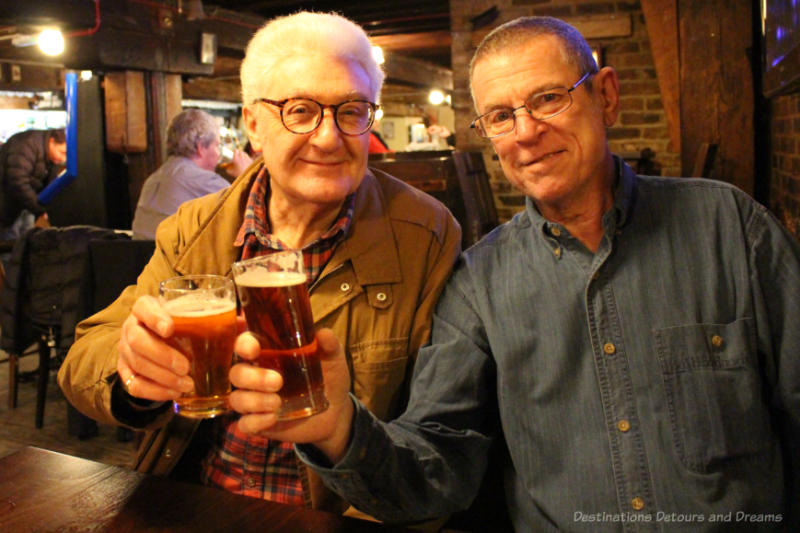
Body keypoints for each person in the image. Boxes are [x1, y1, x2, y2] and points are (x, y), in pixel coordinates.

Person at [227, 16, 800, 531]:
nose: (526, 132)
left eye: (548, 99)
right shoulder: (479, 282)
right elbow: (438, 464)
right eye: (501, 116)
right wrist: (339, 427)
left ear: (606, 97)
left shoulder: (731, 227)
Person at [58, 10, 460, 519]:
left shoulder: (425, 233)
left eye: (352, 111)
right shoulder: (196, 225)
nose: (329, 137)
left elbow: (441, 451)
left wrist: (345, 433)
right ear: (253, 123)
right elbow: (84, 359)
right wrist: (132, 372)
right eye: (299, 110)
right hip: (191, 503)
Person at [131, 109, 231, 239]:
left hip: (142, 257)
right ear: (201, 147)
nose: (218, 155)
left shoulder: (153, 179)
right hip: (176, 258)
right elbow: (247, 211)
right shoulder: (203, 180)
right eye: (217, 146)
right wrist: (247, 172)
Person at [0, 128, 66, 242]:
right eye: (62, 153)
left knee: (25, 241)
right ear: (51, 141)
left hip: (26, 203)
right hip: (8, 202)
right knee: (11, 242)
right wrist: (40, 209)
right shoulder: (26, 145)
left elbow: (50, 183)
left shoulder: (49, 155)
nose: (63, 159)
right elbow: (17, 181)